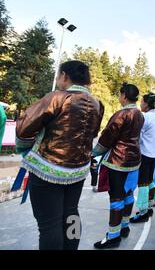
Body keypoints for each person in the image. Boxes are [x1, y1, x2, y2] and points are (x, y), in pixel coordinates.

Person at [15, 61, 104, 250]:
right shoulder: (97, 104)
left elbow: (24, 128)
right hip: (79, 171)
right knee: (71, 214)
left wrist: (25, 147)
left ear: (64, 75)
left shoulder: (57, 98)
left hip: (49, 169)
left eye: (57, 76)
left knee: (50, 224)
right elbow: (93, 133)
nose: (56, 80)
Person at [92, 83, 144, 249]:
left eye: (120, 95)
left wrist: (94, 152)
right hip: (134, 160)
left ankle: (113, 236)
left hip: (118, 161)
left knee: (116, 197)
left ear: (124, 96)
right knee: (128, 193)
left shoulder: (121, 114)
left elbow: (107, 137)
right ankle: (124, 226)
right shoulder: (139, 114)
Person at [130, 93, 155, 223]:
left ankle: (143, 212)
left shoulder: (144, 116)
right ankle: (149, 206)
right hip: (154, 153)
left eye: (142, 102)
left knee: (142, 183)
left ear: (147, 104)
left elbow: (138, 136)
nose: (140, 104)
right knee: (149, 181)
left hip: (145, 153)